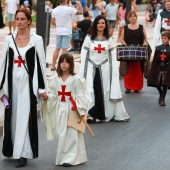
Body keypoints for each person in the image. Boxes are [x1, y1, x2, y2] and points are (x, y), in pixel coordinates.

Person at [0, 8, 46, 168]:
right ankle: (12, 149)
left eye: (22, 19)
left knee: (24, 117)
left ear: (28, 21)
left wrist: (42, 88)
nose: (19, 22)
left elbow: (41, 65)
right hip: (12, 85)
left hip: (28, 85)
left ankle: (23, 153)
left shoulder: (37, 40)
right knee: (12, 118)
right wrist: (1, 88)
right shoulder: (9, 40)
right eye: (17, 19)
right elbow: (3, 64)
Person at [79, 15, 130, 123]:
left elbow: (112, 56)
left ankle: (102, 114)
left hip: (105, 68)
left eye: (103, 23)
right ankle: (90, 114)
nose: (101, 25)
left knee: (103, 90)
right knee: (91, 90)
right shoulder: (89, 38)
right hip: (91, 68)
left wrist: (114, 72)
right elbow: (84, 54)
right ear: (95, 24)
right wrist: (84, 69)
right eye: (98, 23)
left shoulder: (109, 39)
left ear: (105, 25)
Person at [42, 53, 88, 167]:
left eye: (66, 62)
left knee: (72, 134)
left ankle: (71, 158)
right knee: (60, 134)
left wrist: (76, 105)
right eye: (61, 61)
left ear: (71, 64)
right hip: (60, 110)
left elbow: (81, 94)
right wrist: (47, 97)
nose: (63, 64)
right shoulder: (54, 79)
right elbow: (53, 94)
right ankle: (62, 157)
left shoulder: (76, 79)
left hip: (72, 110)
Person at [50, 0, 83, 71]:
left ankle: (53, 66)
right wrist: (79, 5)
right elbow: (81, 12)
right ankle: (62, 66)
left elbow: (52, 22)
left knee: (57, 49)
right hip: (67, 31)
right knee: (64, 50)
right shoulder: (69, 9)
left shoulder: (55, 10)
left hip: (59, 31)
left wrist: (58, 25)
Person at [120, 11, 147, 93]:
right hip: (128, 52)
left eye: (134, 16)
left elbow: (145, 38)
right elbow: (121, 38)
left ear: (136, 17)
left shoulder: (141, 27)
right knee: (128, 69)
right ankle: (128, 87)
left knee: (138, 70)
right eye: (131, 16)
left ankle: (137, 87)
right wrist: (126, 46)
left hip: (139, 52)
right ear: (128, 18)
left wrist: (143, 46)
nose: (132, 18)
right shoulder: (125, 28)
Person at [147, 31, 170, 106]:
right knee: (157, 83)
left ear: (169, 39)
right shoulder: (158, 48)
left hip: (166, 68)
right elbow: (155, 60)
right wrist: (153, 69)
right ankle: (161, 94)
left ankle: (162, 98)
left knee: (165, 84)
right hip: (158, 67)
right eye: (162, 38)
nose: (163, 40)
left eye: (165, 38)